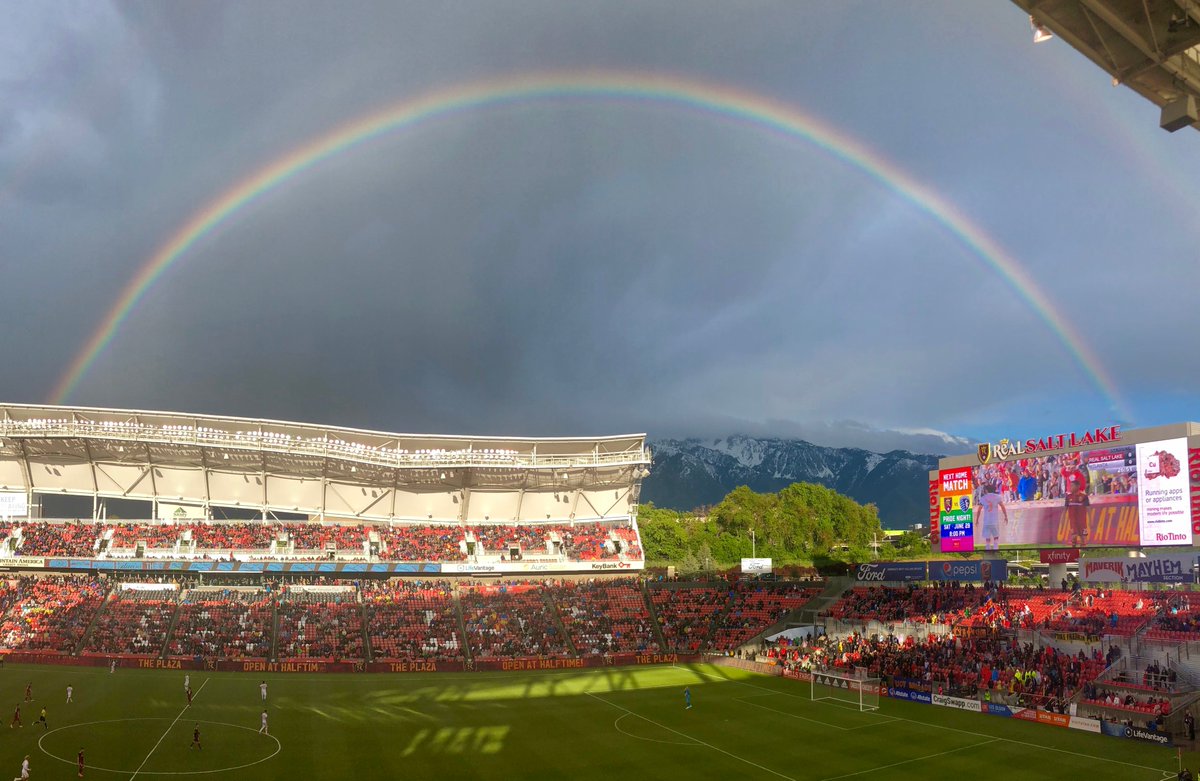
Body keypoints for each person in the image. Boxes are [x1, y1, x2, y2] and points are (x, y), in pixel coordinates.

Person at [976, 481, 1008, 552]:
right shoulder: (997, 497)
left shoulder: (983, 498)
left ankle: (988, 548)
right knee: (996, 538)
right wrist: (1005, 516)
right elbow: (1003, 507)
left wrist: (977, 520)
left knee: (987, 539)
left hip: (986, 521)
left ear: (986, 490)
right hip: (994, 521)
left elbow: (979, 510)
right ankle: (995, 548)